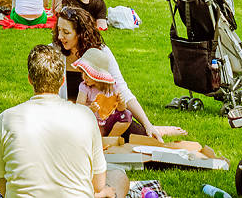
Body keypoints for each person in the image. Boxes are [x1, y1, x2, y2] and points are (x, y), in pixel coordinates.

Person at [0, 44, 127, 198]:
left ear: (30, 79)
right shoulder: (86, 116)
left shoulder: (6, 118)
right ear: (62, 80)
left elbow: (3, 187)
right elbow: (98, 185)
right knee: (119, 176)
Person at [53, 7, 161, 141]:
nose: (59, 36)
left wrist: (147, 124)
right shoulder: (54, 53)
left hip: (106, 121)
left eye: (66, 32)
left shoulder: (101, 53)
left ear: (80, 33)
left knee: (145, 140)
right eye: (59, 30)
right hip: (70, 122)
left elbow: (123, 91)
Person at [74, 48, 131, 137]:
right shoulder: (84, 87)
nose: (84, 77)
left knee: (126, 115)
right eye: (83, 73)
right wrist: (90, 109)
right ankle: (97, 140)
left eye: (87, 74)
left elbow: (121, 109)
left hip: (108, 121)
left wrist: (121, 102)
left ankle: (111, 138)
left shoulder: (113, 87)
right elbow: (79, 107)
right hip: (92, 122)